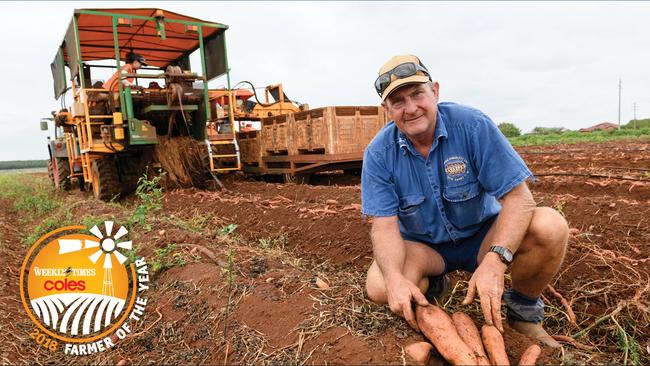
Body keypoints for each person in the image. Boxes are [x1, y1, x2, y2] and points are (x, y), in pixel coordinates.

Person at [362, 55, 569, 347]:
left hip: (482, 237)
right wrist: (395, 278)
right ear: (387, 110)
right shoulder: (379, 153)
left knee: (550, 226)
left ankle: (523, 314)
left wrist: (496, 260)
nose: (410, 108)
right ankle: (434, 285)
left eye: (417, 94)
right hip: (426, 248)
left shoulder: (472, 126)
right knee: (381, 286)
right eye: (398, 102)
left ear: (434, 91)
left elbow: (520, 200)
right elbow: (384, 226)